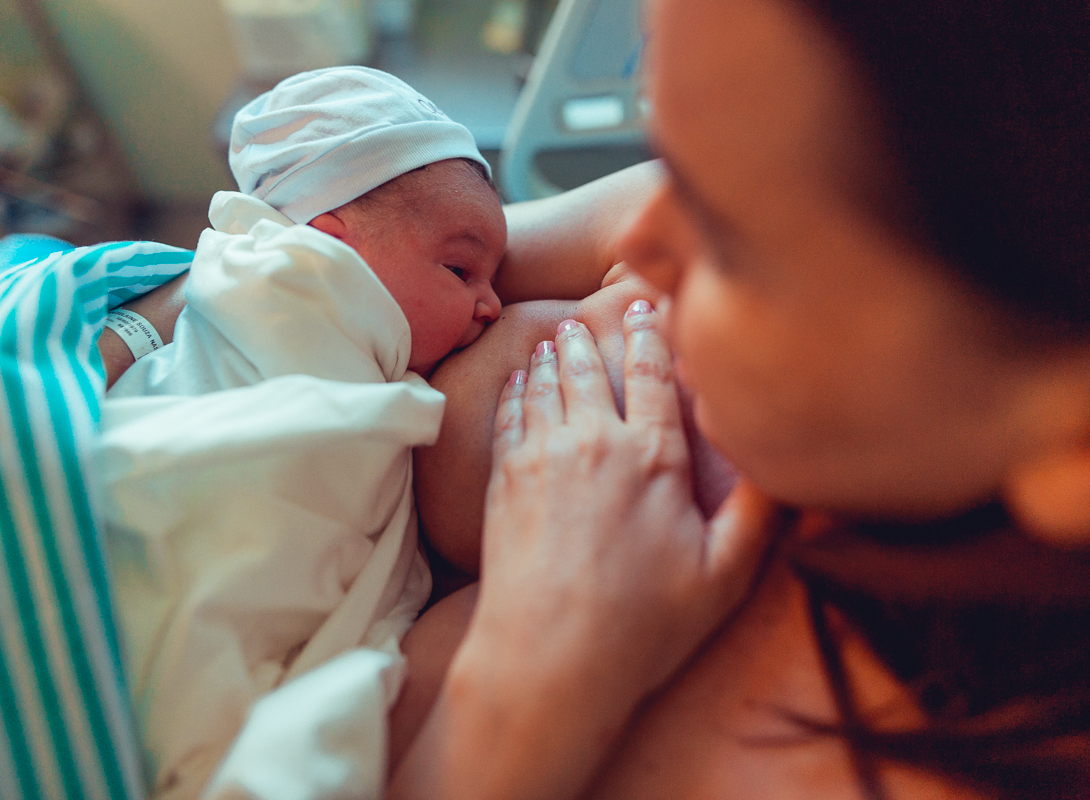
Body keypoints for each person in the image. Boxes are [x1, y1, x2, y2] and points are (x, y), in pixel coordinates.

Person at [381, 0, 1090, 798]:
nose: (646, 233)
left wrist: (531, 685)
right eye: (669, 157)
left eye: (726, 239)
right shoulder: (741, 186)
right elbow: (380, 257)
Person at [93, 66, 508, 799]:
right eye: (461, 269)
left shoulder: (380, 324)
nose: (493, 305)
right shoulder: (282, 292)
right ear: (327, 244)